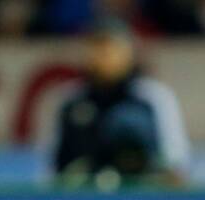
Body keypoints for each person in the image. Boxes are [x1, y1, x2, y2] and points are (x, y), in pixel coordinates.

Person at [52, 18, 189, 187]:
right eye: (97, 47)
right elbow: (51, 170)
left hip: (142, 196)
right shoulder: (69, 100)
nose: (104, 55)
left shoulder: (153, 98)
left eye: (111, 48)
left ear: (129, 52)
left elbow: (176, 165)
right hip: (83, 198)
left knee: (128, 121)